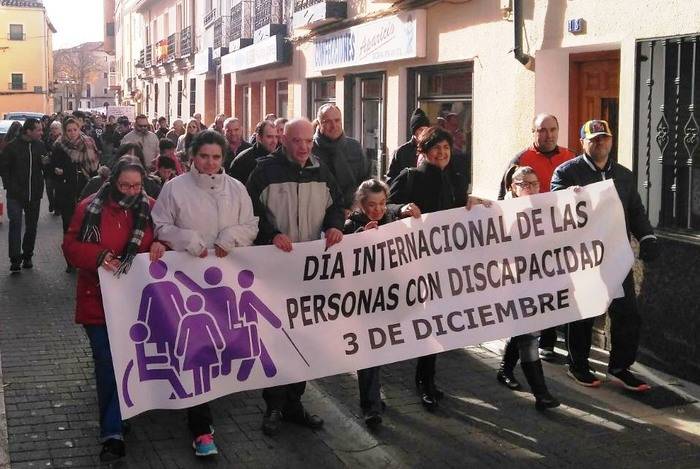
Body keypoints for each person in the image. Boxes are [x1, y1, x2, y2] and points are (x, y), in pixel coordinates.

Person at [151, 130, 259, 457]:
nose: (210, 163)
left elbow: (251, 225)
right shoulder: (174, 189)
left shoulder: (237, 189)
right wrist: (190, 241)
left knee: (220, 348)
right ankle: (200, 428)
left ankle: (207, 405)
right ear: (193, 157)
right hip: (188, 284)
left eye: (216, 157)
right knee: (197, 349)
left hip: (226, 285)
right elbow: (161, 226)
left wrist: (230, 237)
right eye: (204, 156)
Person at [247, 118, 344, 436]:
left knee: (303, 340)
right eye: (296, 141)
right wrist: (271, 234)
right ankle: (274, 406)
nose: (303, 147)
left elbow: (336, 205)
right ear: (283, 141)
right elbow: (249, 216)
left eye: (308, 141)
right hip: (275, 272)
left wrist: (334, 225)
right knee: (276, 340)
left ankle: (294, 403)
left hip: (310, 274)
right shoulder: (263, 172)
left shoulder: (322, 170)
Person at [62, 156, 163, 463]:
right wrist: (99, 256)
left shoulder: (153, 207)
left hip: (136, 302)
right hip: (98, 299)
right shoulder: (89, 206)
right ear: (113, 181)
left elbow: (165, 237)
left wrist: (162, 245)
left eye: (137, 186)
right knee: (107, 361)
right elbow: (69, 246)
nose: (131, 192)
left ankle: (122, 410)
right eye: (124, 185)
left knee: (129, 361)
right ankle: (112, 433)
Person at [551, 119, 658, 391]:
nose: (600, 142)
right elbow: (553, 206)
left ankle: (621, 367)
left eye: (604, 137)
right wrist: (566, 197)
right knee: (584, 312)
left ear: (611, 140)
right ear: (582, 143)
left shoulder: (623, 174)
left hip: (615, 254)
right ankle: (578, 366)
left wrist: (647, 236)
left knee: (627, 313)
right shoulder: (566, 172)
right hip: (583, 257)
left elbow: (634, 210)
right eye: (594, 138)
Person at [388, 126, 470, 410]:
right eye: (436, 148)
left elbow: (460, 211)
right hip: (414, 263)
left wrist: (471, 204)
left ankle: (426, 380)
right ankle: (409, 379)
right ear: (423, 152)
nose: (442, 153)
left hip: (444, 263)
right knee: (420, 320)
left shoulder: (456, 178)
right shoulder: (409, 176)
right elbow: (386, 206)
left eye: (446, 148)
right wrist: (401, 210)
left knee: (433, 321)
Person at [498, 113, 576, 359]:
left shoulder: (570, 157)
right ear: (533, 133)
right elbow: (503, 199)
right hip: (526, 242)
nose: (548, 135)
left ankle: (548, 343)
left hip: (557, 238)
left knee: (553, 289)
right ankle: (520, 349)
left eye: (553, 129)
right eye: (542, 130)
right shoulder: (521, 159)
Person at [344, 179, 421, 428]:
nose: (377, 210)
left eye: (381, 204)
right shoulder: (350, 225)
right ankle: (371, 407)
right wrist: (359, 239)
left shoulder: (389, 218)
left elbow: (396, 210)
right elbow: (339, 259)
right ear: (361, 204)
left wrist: (403, 209)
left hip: (388, 298)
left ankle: (373, 396)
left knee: (378, 351)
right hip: (362, 301)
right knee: (369, 353)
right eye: (371, 205)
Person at [493, 166, 561, 410]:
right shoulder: (501, 212)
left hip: (537, 281)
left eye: (534, 183)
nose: (530, 188)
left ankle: (505, 370)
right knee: (529, 336)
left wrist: (576, 198)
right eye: (524, 184)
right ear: (512, 186)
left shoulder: (543, 208)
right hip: (512, 284)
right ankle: (541, 394)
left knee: (524, 331)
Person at [0, 118, 48, 272]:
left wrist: (47, 163)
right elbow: (4, 169)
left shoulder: (40, 146)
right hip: (15, 194)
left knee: (31, 226)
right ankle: (15, 259)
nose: (42, 132)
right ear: (28, 131)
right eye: (39, 130)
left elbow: (44, 167)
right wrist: (9, 186)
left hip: (34, 193)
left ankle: (27, 255)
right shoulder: (12, 147)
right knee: (15, 225)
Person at [312, 104, 371, 210]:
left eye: (337, 120)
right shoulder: (310, 149)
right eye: (328, 121)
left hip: (353, 213)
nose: (334, 125)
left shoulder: (354, 147)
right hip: (320, 214)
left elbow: (366, 182)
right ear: (319, 124)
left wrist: (354, 208)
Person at [50, 118, 100, 239]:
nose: (72, 133)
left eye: (74, 130)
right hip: (66, 188)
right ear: (64, 131)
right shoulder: (59, 144)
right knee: (67, 221)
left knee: (83, 219)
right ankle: (68, 245)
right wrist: (57, 170)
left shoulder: (87, 142)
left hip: (85, 186)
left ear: (79, 129)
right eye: (69, 130)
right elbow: (53, 165)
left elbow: (94, 166)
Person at [385, 108, 430, 185]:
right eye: (420, 129)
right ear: (414, 131)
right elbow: (391, 178)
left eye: (426, 129)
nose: (423, 132)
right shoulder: (401, 152)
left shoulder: (431, 148)